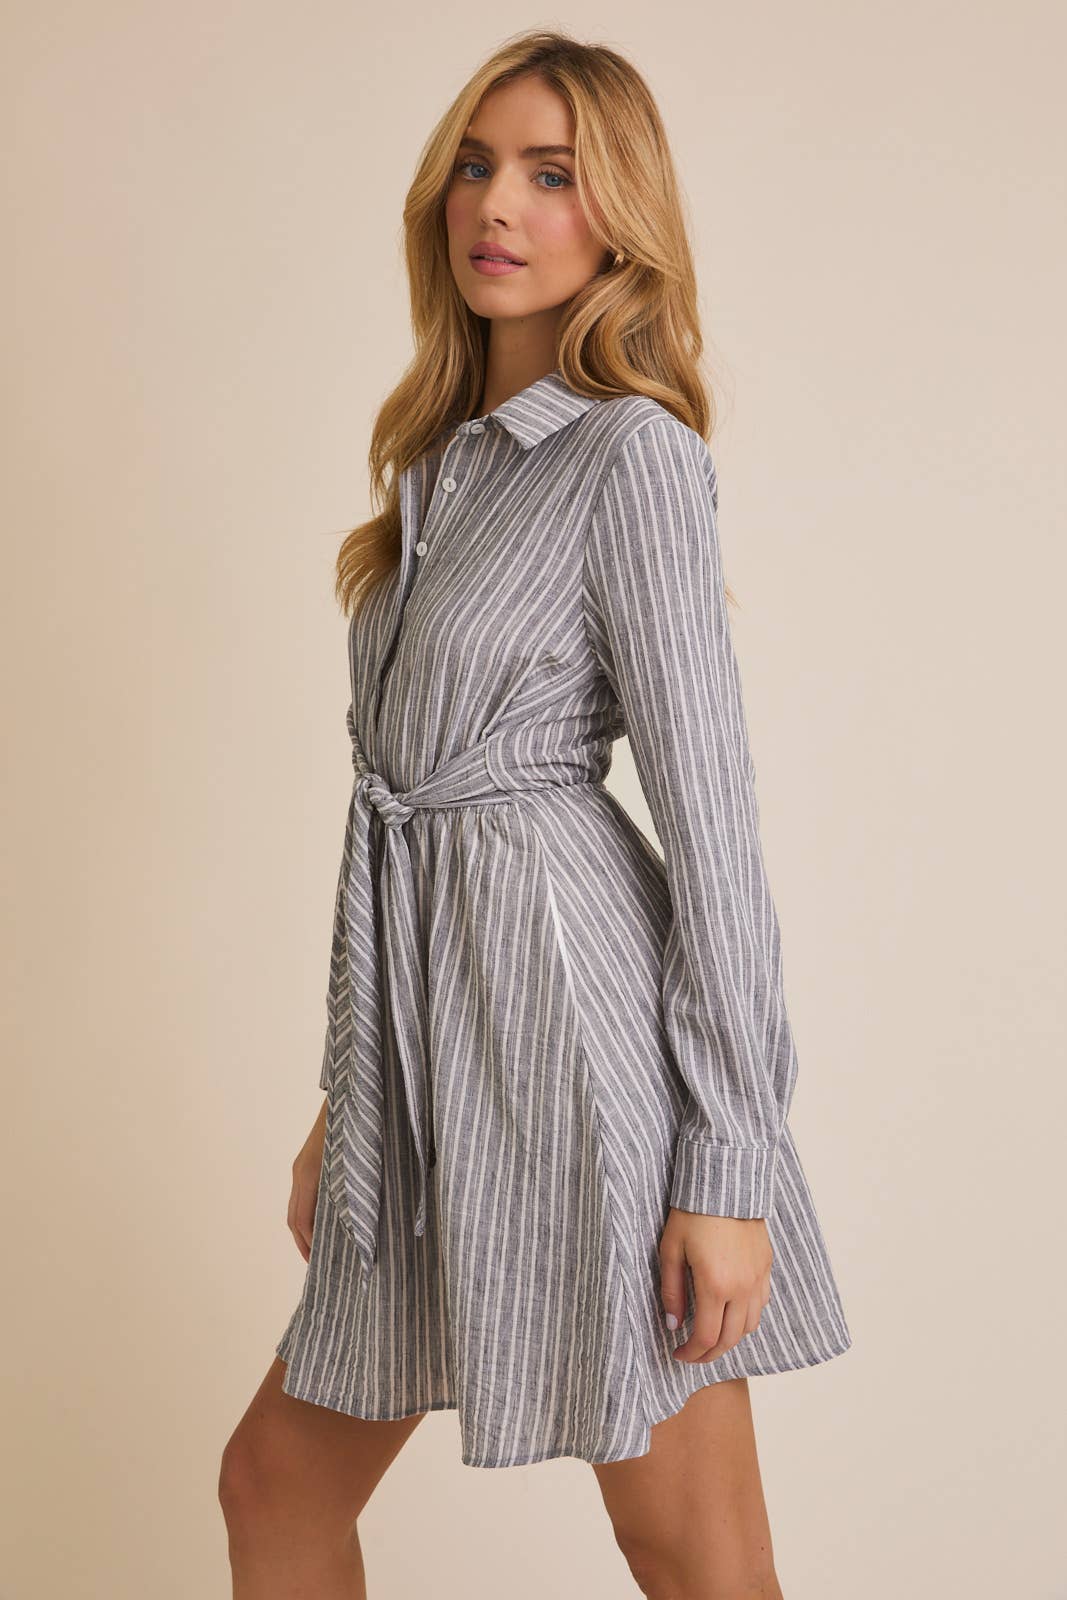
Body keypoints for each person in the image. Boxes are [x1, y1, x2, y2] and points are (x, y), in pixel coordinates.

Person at [219, 29, 851, 1599]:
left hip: (580, 1043)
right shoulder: (439, 471)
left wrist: (727, 1164)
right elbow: (406, 822)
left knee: (691, 1550)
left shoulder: (633, 457)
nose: (498, 203)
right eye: (477, 165)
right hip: (431, 1058)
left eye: (553, 175)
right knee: (273, 1482)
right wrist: (350, 1105)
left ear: (619, 220)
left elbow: (714, 826)